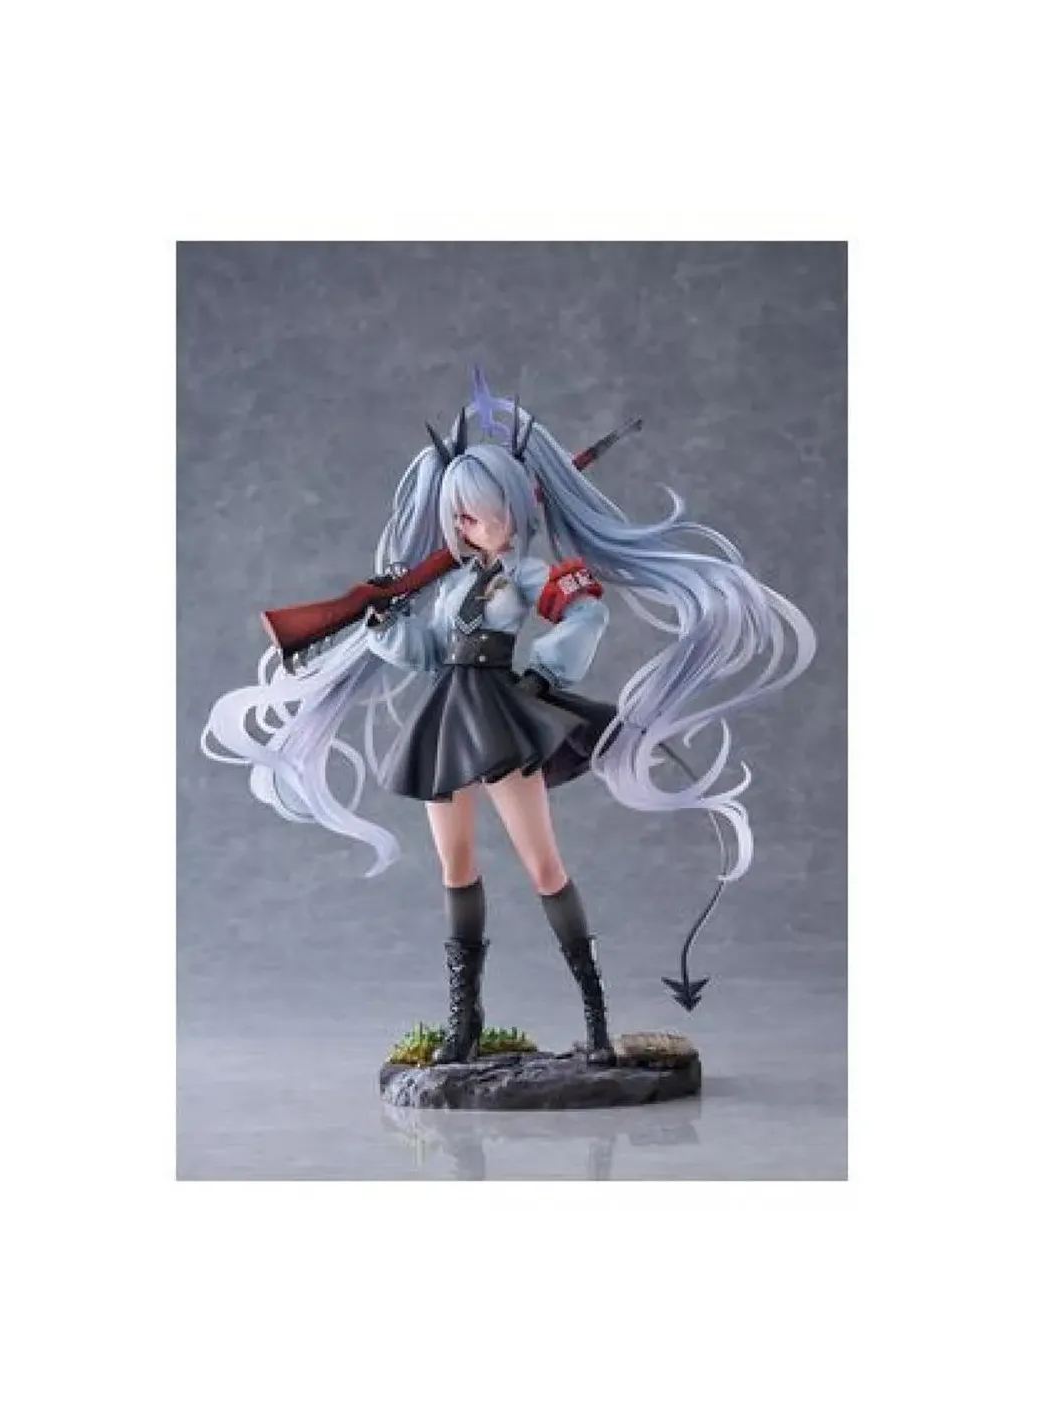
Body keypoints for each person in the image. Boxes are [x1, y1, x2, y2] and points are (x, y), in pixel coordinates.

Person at [202, 379, 816, 1066]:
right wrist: (383, 625)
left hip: (499, 715)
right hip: (444, 716)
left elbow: (586, 613)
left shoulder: (531, 574)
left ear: (511, 509)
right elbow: (429, 653)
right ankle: (464, 1022)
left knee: (543, 865)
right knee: (454, 865)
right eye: (457, 517)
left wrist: (544, 674)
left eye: (475, 514)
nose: (464, 526)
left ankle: (596, 1019)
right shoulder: (452, 585)